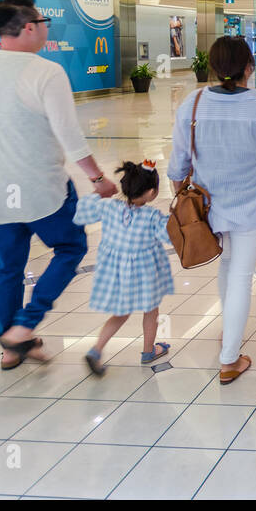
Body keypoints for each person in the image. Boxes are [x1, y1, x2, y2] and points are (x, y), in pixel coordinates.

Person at [0, 0, 118, 370]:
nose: (46, 29)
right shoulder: (46, 71)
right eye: (43, 23)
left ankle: (11, 344)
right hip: (42, 189)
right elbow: (69, 135)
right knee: (71, 247)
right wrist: (98, 178)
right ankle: (24, 327)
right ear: (29, 27)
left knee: (6, 269)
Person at [168, 36, 256, 385]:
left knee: (227, 266)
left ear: (212, 68)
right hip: (252, 204)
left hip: (209, 205)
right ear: (248, 68)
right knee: (241, 274)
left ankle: (229, 331)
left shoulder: (193, 104)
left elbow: (178, 165)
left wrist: (181, 198)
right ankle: (230, 358)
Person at [74, 160, 176, 376]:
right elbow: (170, 236)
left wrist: (97, 193)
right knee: (151, 309)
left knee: (120, 313)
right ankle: (148, 351)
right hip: (145, 274)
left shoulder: (108, 206)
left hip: (116, 273)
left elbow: (82, 212)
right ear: (151, 193)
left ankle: (96, 350)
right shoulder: (152, 217)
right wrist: (175, 216)